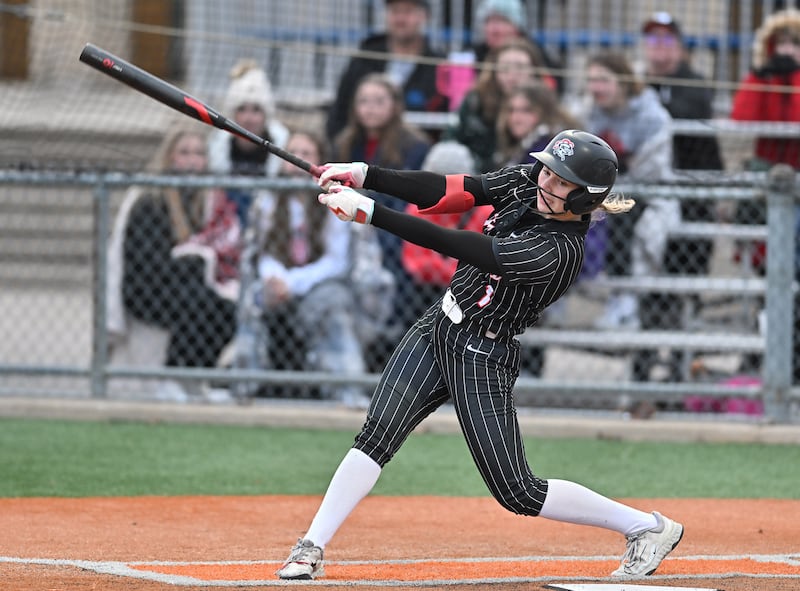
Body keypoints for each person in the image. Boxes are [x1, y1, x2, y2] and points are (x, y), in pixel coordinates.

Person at [275, 129, 684, 580]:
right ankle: (311, 546)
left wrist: (372, 213)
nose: (545, 181)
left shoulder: (560, 251)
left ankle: (645, 528)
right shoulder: (529, 183)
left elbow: (467, 247)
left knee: (518, 492)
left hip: (483, 355)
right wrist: (363, 174)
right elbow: (455, 190)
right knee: (376, 435)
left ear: (584, 198)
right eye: (547, 170)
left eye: (560, 180)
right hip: (438, 328)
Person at [234, 128, 389, 408]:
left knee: (332, 305)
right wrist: (275, 279)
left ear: (320, 162)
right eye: (293, 153)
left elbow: (337, 261)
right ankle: (245, 386)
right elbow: (261, 252)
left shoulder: (336, 196)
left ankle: (346, 390)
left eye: (307, 154)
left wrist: (292, 284)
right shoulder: (268, 198)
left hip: (323, 284)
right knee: (252, 298)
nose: (298, 160)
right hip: (277, 282)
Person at [107, 121, 240, 399]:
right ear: (170, 157)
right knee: (198, 300)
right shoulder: (150, 200)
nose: (192, 161)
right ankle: (171, 376)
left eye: (198, 154)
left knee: (227, 308)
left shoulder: (205, 201)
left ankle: (194, 377)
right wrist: (192, 263)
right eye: (185, 153)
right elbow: (147, 263)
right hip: (146, 291)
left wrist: (196, 263)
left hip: (183, 285)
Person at [636, 12, 725, 382]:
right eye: (653, 41)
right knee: (647, 292)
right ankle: (642, 369)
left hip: (691, 202)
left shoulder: (693, 83)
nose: (659, 49)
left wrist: (648, 105)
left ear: (680, 46)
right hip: (648, 203)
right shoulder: (637, 82)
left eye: (667, 40)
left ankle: (678, 369)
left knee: (683, 289)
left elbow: (685, 117)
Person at [332, 72, 431, 366]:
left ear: (395, 106)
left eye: (379, 101)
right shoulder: (345, 144)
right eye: (363, 101)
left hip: (392, 228)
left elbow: (410, 197)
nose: (370, 108)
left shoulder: (415, 146)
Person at [579, 50, 675, 333]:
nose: (596, 88)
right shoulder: (587, 113)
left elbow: (651, 168)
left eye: (604, 80)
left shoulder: (651, 115)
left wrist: (611, 170)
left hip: (648, 192)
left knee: (623, 216)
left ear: (622, 82)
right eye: (591, 80)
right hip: (597, 191)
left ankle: (625, 300)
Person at [729, 7, 800, 380]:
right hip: (768, 187)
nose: (788, 50)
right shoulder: (765, 78)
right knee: (765, 278)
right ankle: (766, 353)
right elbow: (742, 120)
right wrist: (760, 77)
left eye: (795, 44)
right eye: (782, 43)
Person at [494, 82, 583, 375]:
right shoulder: (521, 146)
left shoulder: (545, 148)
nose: (517, 117)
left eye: (526, 111)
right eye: (513, 110)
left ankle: (525, 373)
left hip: (551, 247)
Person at [325, 0, 448, 141]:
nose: (400, 19)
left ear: (424, 16)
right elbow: (341, 107)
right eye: (395, 11)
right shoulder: (365, 57)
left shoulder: (439, 65)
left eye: (408, 12)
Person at [401, 141, 493, 321]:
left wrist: (442, 267)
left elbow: (483, 267)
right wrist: (452, 269)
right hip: (426, 292)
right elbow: (416, 264)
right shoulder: (417, 209)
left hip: (471, 293)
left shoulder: (484, 211)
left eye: (452, 182)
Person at [445, 38, 555, 173]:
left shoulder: (548, 106)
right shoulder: (475, 101)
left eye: (520, 67)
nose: (512, 74)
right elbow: (451, 138)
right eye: (505, 67)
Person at [208, 59, 290, 226]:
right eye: (242, 109)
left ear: (266, 115)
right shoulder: (219, 146)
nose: (248, 118)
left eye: (256, 110)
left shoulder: (282, 145)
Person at [470, 0, 564, 94]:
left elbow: (552, 89)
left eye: (502, 21)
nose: (494, 29)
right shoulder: (473, 55)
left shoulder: (534, 53)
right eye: (488, 21)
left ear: (517, 26)